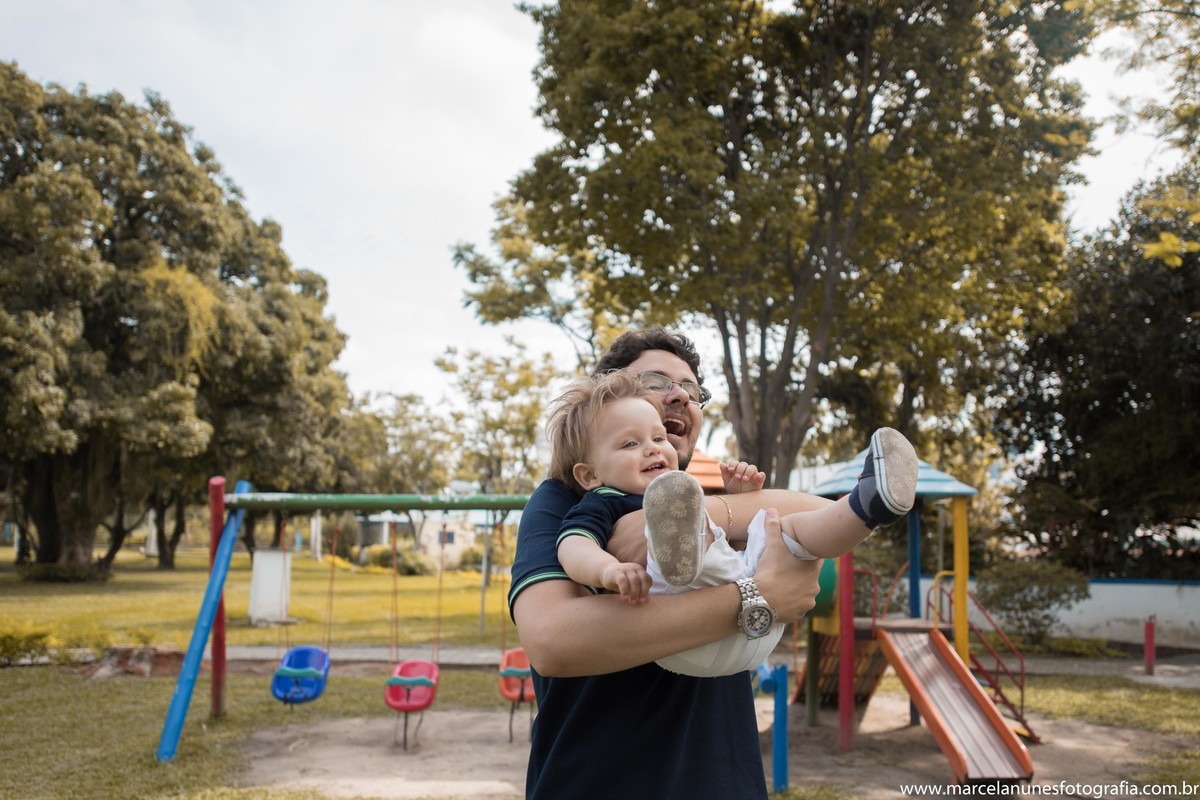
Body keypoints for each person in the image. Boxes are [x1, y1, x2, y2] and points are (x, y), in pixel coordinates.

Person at [509, 326, 833, 799]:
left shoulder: (715, 494)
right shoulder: (568, 499)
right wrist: (756, 599)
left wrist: (707, 512)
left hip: (727, 782)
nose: (679, 395)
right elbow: (553, 640)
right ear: (608, 400)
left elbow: (818, 511)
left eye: (692, 389)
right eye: (656, 383)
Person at [547, 369, 917, 677]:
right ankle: (680, 557)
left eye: (658, 437)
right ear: (589, 475)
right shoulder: (601, 502)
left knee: (780, 529)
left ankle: (865, 507)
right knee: (670, 532)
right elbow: (572, 547)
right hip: (681, 632)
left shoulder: (689, 492)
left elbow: (747, 540)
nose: (653, 448)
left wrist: (742, 502)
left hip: (752, 618)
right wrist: (608, 571)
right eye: (630, 444)